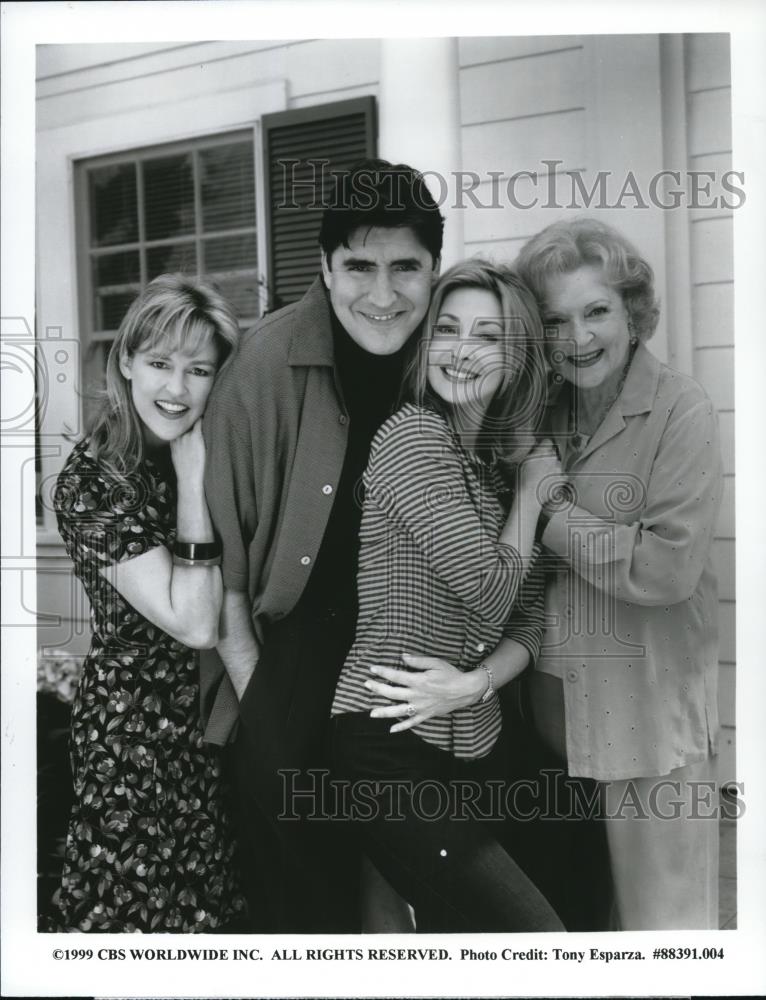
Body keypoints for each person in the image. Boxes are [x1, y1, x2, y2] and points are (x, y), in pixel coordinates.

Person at [200, 160, 445, 932]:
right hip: (293, 654)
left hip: (418, 656)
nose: (384, 295)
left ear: (434, 269)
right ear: (326, 267)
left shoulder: (449, 356)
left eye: (406, 267)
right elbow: (224, 575)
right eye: (360, 267)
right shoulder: (263, 366)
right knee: (306, 902)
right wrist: (263, 706)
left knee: (424, 889)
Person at [330, 260, 565, 932]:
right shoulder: (411, 438)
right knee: (536, 938)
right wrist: (533, 496)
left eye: (487, 336)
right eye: (448, 329)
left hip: (478, 745)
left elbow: (529, 616)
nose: (461, 350)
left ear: (516, 358)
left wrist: (474, 685)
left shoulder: (495, 464)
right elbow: (491, 593)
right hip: (387, 742)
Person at [514, 218, 723, 930]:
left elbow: (666, 569)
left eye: (596, 311)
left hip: (644, 723)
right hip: (545, 725)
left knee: (662, 937)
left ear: (632, 314)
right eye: (555, 320)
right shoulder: (540, 412)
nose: (577, 337)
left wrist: (549, 510)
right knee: (565, 934)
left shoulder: (680, 409)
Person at [52, 274, 246, 933]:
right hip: (137, 732)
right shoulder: (94, 478)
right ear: (128, 361)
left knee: (216, 911)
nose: (177, 388)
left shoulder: (209, 448)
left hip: (212, 718)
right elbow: (194, 622)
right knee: (140, 917)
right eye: (161, 363)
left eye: (199, 370)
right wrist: (192, 486)